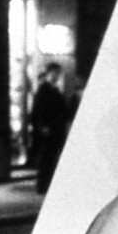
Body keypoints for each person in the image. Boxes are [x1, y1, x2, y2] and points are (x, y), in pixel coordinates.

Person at [30, 62, 68, 193]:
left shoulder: (55, 90)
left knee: (51, 159)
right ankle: (42, 186)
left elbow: (63, 110)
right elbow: (38, 111)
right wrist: (42, 127)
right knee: (46, 159)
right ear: (49, 73)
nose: (57, 76)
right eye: (55, 73)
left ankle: (47, 185)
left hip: (55, 131)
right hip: (47, 132)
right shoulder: (43, 90)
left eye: (58, 73)